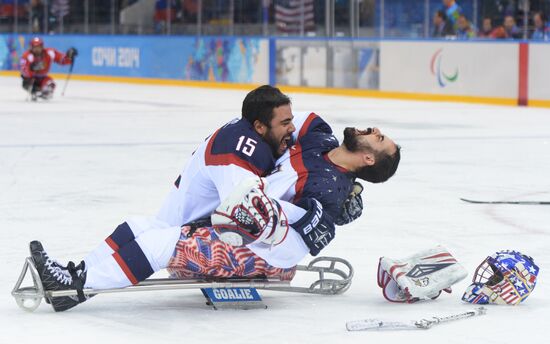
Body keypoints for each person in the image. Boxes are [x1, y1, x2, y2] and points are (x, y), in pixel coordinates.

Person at [29, 89, 400, 311]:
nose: (376, 131)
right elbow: (275, 119)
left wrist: (277, 221)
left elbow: (294, 241)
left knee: (160, 242)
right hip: (230, 214)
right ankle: (76, 280)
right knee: (141, 225)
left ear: (368, 160)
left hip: (246, 244)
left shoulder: (331, 193)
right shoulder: (318, 133)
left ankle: (73, 287)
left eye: (380, 140)